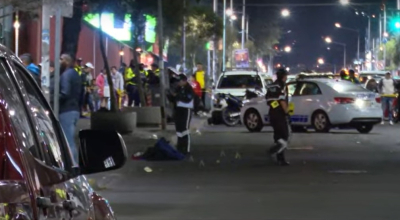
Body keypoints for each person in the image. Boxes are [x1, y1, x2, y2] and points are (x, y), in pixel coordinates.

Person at [59, 54, 82, 166]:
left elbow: (65, 93)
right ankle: (74, 163)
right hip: (75, 110)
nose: (59, 61)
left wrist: (51, 98)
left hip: (66, 110)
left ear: (67, 61)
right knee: (70, 139)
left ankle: (73, 165)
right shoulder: (76, 74)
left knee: (68, 140)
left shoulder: (66, 75)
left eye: (61, 59)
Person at [266, 68, 290, 166]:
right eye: (285, 76)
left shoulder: (271, 86)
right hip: (279, 114)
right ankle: (273, 151)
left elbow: (268, 100)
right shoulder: (282, 87)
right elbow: (282, 100)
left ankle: (280, 159)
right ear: (283, 76)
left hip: (272, 113)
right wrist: (286, 111)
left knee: (277, 135)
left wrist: (274, 106)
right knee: (285, 135)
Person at [169, 74, 194, 155]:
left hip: (186, 110)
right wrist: (171, 96)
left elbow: (188, 98)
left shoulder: (189, 88)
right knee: (179, 129)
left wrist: (178, 96)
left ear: (184, 81)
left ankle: (187, 149)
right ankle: (180, 147)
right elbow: (174, 98)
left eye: (180, 81)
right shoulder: (178, 88)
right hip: (178, 109)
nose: (178, 83)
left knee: (185, 129)